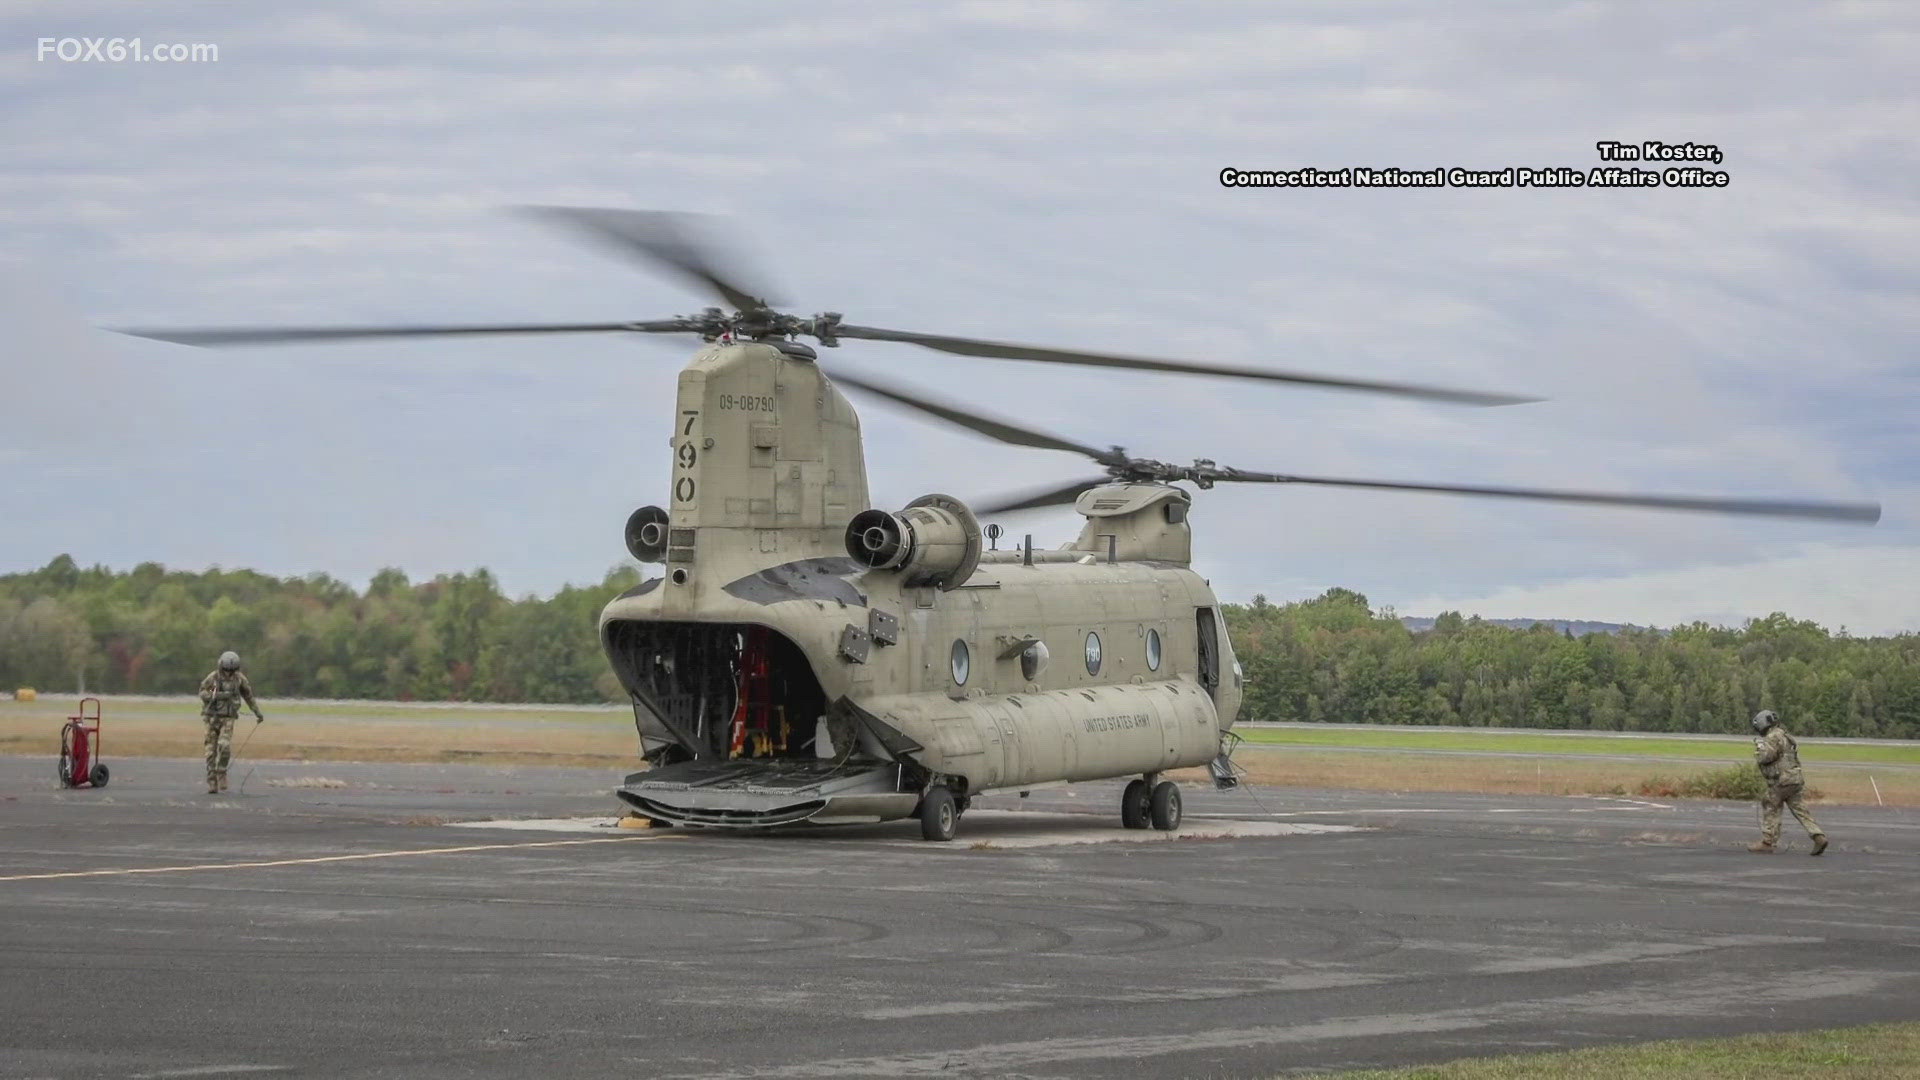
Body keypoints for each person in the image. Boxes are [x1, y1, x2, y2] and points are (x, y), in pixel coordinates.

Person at [1748, 709, 1826, 855]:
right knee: (1800, 809)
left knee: (1770, 804)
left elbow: (1766, 757)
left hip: (1781, 779)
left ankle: (1768, 841)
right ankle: (1818, 836)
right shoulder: (1786, 735)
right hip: (1795, 779)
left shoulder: (1772, 737)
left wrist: (1759, 750)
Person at [199, 650, 264, 794]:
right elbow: (202, 693)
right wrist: (218, 696)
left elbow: (248, 696)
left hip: (228, 718)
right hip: (211, 718)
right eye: (226, 670)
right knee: (210, 751)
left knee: (224, 745)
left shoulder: (239, 679)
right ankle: (212, 780)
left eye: (232, 670)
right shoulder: (213, 678)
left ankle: (221, 772)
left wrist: (257, 713)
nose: (228, 673)